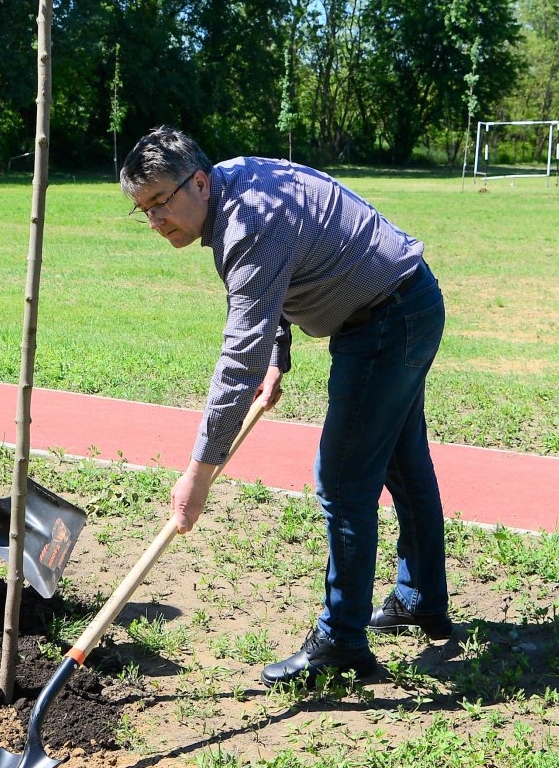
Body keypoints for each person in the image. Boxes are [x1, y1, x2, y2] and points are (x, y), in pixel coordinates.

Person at [120, 126, 453, 685]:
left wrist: (198, 472)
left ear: (199, 182)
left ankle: (341, 640)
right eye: (142, 210)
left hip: (388, 320)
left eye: (160, 203)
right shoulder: (236, 190)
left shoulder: (249, 221)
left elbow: (237, 359)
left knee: (344, 481)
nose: (155, 221)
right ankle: (420, 598)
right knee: (402, 463)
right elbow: (271, 292)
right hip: (402, 302)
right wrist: (278, 355)